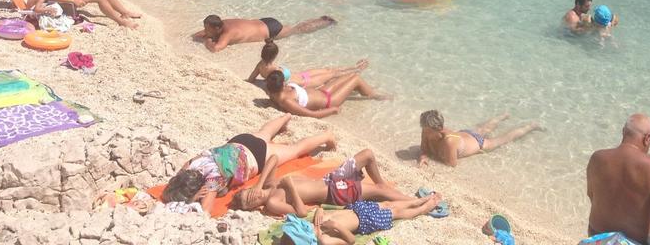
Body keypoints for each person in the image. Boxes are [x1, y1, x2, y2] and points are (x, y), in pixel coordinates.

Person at [161, 114, 336, 207]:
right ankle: (285, 117)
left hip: (257, 155)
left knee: (295, 150)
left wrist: (192, 200)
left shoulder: (212, 181)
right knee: (264, 133)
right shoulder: (191, 165)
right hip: (239, 142)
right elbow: (178, 177)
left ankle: (327, 136)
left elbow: (205, 212)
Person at [233, 148, 413, 216]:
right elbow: (302, 212)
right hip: (333, 193)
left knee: (367, 155)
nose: (253, 198)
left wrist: (259, 184)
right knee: (379, 191)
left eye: (248, 195)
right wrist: (290, 187)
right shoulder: (272, 202)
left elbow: (272, 158)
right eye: (250, 203)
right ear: (254, 207)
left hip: (331, 178)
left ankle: (383, 185)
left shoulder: (269, 184)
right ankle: (414, 202)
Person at [586, 113, 650, 245]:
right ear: (647, 139)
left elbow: (591, 195)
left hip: (597, 238)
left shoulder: (597, 158)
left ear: (624, 132)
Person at [275, 196, 443, 245]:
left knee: (387, 204)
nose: (308, 227)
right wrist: (335, 226)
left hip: (356, 209)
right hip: (365, 221)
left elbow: (320, 208)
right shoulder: (324, 239)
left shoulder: (315, 222)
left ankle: (416, 201)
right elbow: (351, 240)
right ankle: (423, 209)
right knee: (396, 212)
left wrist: (319, 210)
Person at [418, 110, 541, 167]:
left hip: (479, 143)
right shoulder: (427, 129)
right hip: (465, 134)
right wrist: (424, 156)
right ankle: (504, 115)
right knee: (484, 128)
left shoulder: (449, 141)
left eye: (425, 129)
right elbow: (424, 148)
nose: (423, 130)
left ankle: (531, 126)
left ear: (437, 128)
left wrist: (434, 155)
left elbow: (451, 164)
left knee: (505, 138)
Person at [246, 39, 368, 89]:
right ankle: (356, 70)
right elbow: (282, 87)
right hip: (304, 82)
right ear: (275, 55)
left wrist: (260, 83)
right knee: (332, 74)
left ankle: (355, 68)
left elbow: (251, 79)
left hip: (301, 76)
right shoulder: (275, 70)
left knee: (329, 71)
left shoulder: (260, 65)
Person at [265, 69, 388, 118]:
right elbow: (311, 114)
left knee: (351, 75)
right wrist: (332, 110)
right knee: (356, 79)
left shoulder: (273, 93)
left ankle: (366, 90)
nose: (286, 82)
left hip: (322, 91)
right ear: (281, 85)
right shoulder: (287, 101)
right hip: (330, 101)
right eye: (284, 81)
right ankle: (374, 96)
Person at [191, 14, 337, 53]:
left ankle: (326, 22)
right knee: (296, 27)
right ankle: (321, 19)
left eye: (208, 29)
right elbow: (200, 33)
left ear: (217, 29)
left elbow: (216, 49)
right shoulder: (222, 23)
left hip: (270, 30)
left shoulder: (228, 33)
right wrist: (201, 35)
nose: (206, 31)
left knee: (297, 30)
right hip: (264, 22)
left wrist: (207, 41)